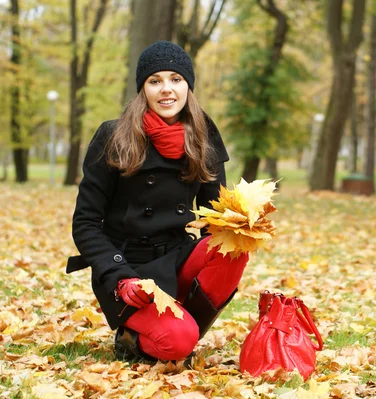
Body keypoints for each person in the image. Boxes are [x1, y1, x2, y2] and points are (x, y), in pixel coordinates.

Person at [66, 41, 249, 362]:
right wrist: (120, 275)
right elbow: (85, 223)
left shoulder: (202, 136)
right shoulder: (114, 136)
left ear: (188, 86)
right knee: (176, 345)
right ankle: (136, 335)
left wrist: (244, 223)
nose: (167, 90)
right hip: (128, 269)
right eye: (155, 81)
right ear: (143, 89)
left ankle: (180, 321)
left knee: (232, 246)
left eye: (176, 79)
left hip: (175, 258)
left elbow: (214, 220)